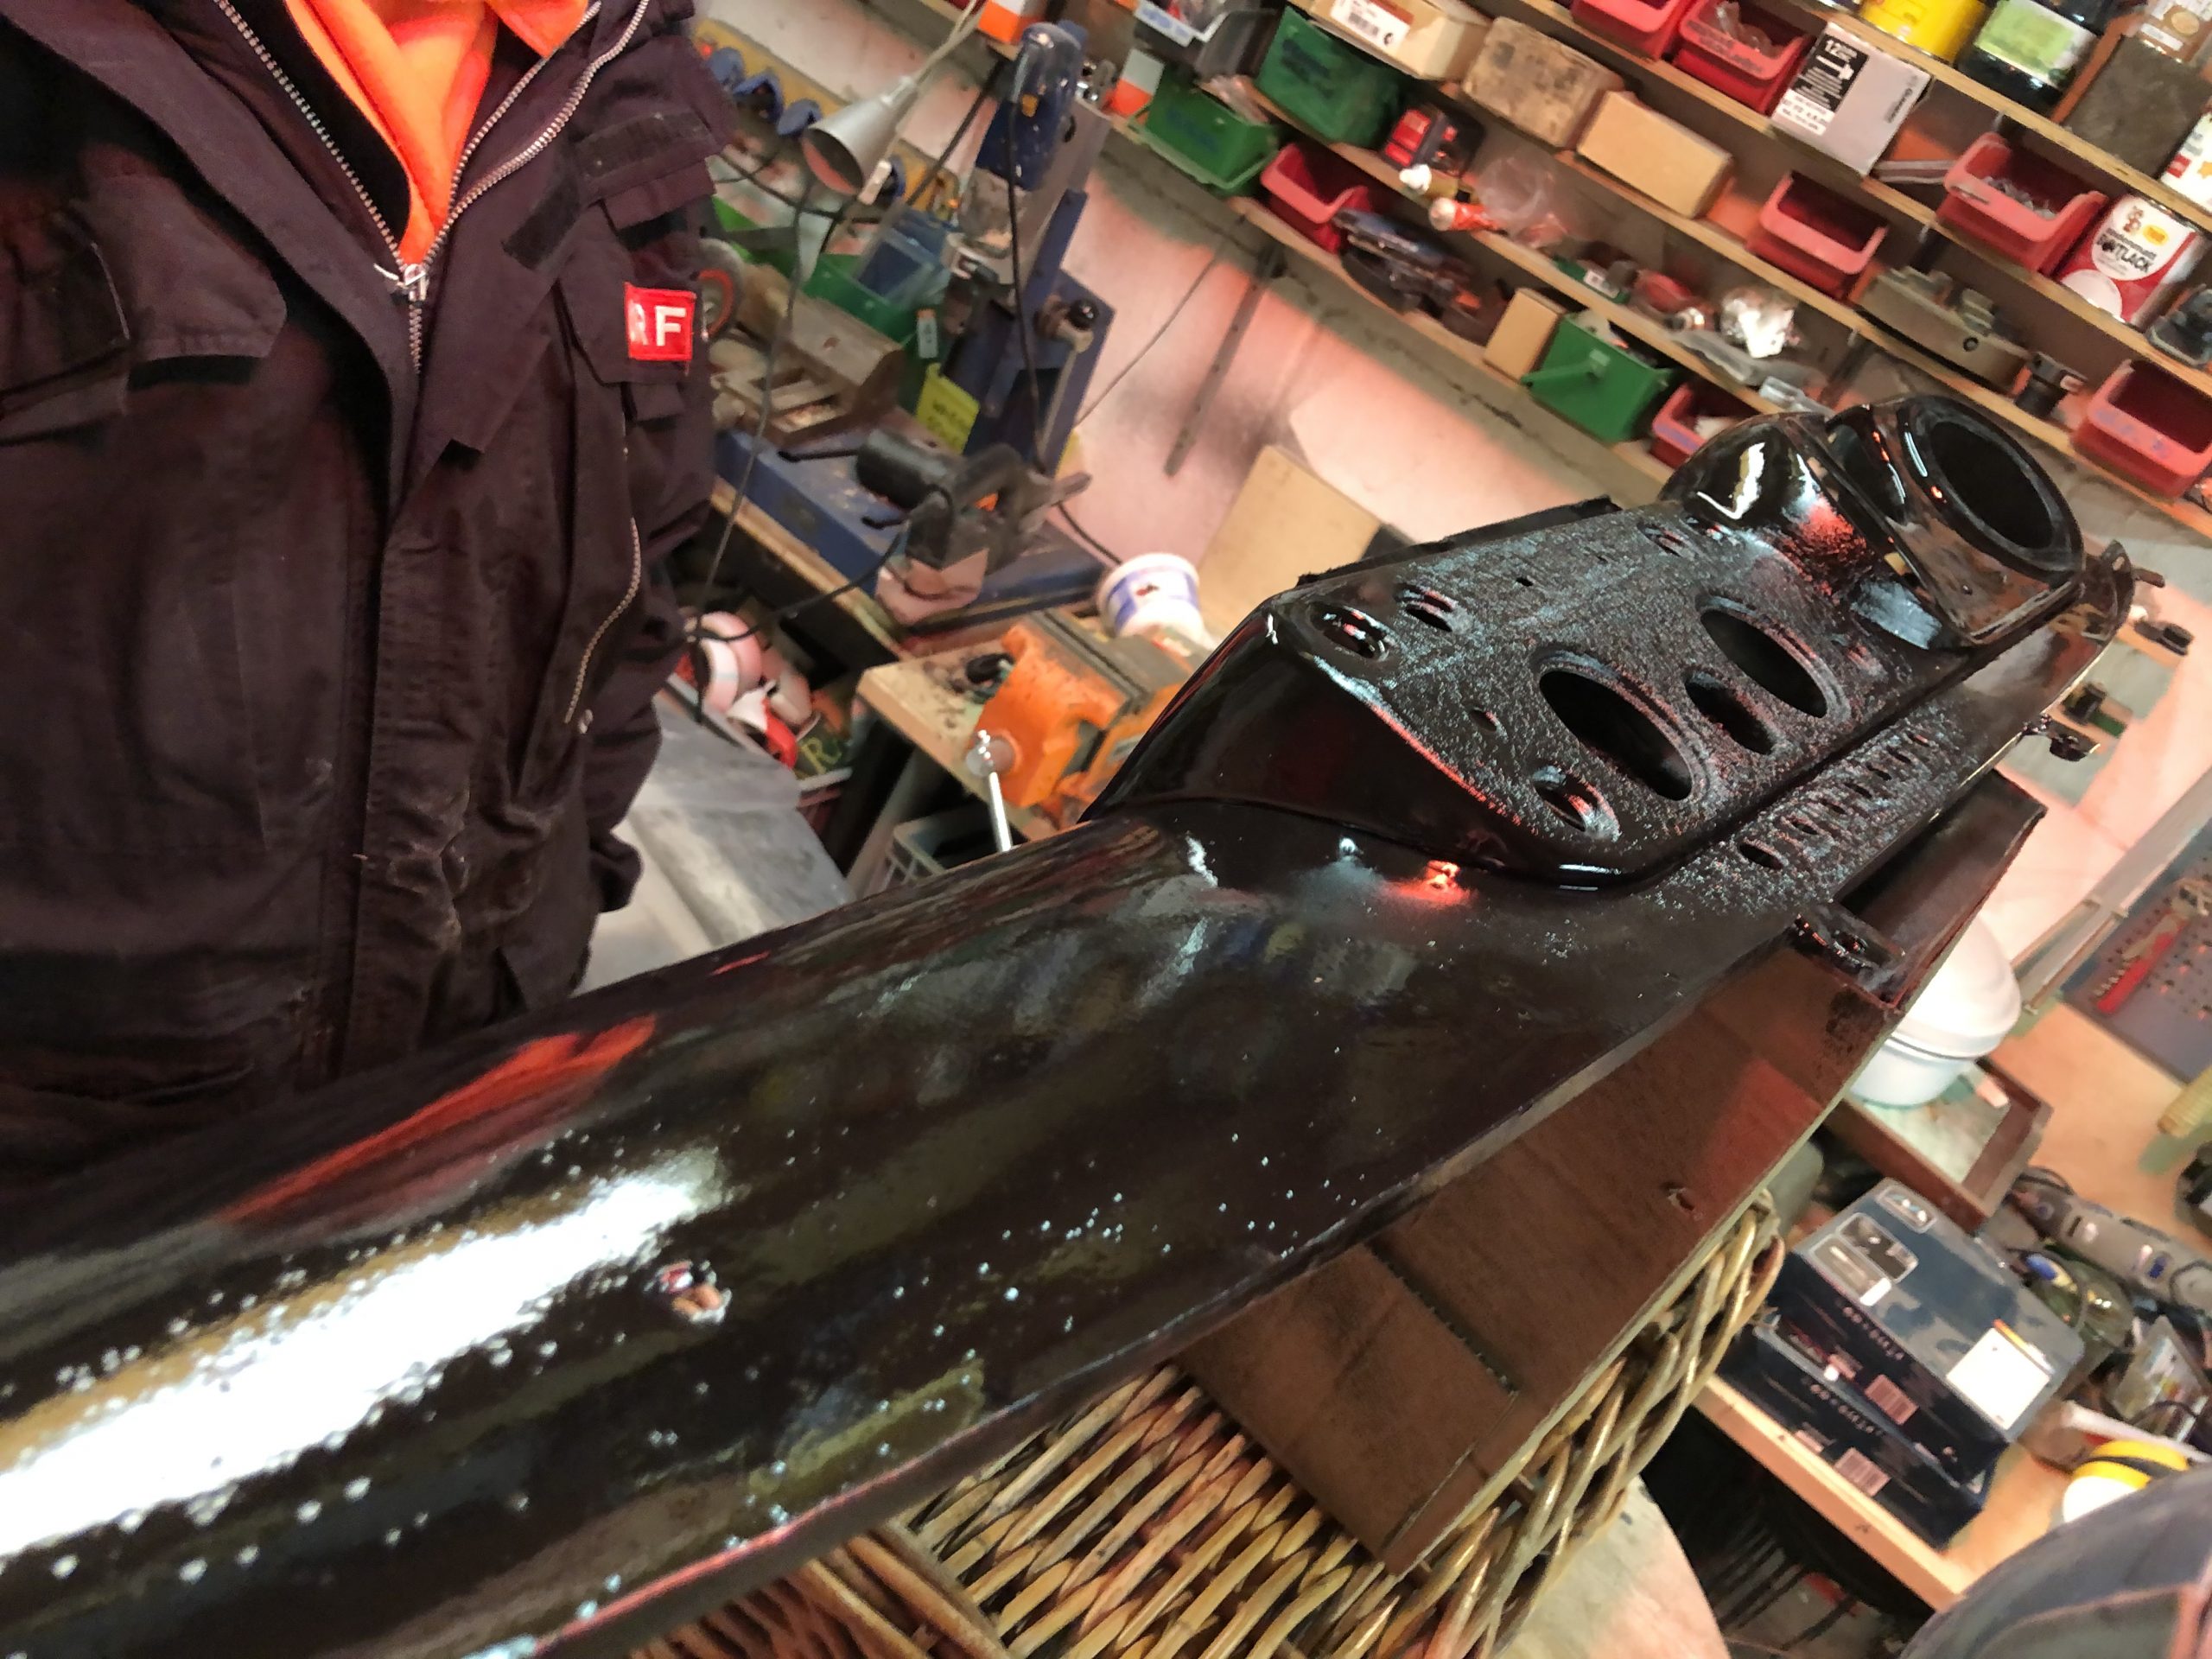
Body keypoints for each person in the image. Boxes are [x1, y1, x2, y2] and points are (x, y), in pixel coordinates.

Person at [0, 0, 730, 1184]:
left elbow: (644, 562)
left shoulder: (615, 70)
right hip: (77, 1158)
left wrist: (562, 892)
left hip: (463, 1073)